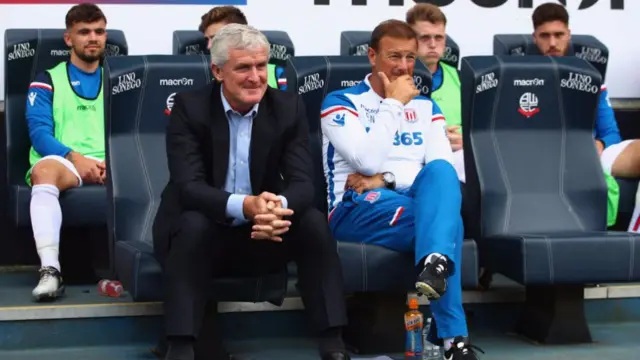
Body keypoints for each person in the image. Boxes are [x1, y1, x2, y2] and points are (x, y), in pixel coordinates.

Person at [152, 24, 349, 360]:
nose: (256, 77)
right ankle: (181, 345)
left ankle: (333, 342)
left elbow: (304, 183)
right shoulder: (190, 107)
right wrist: (246, 206)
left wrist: (276, 209)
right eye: (243, 67)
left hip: (263, 232)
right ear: (217, 71)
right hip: (203, 229)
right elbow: (189, 187)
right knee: (194, 225)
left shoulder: (287, 107)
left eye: (262, 66)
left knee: (313, 223)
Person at [320, 20, 482, 360]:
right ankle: (453, 339)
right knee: (448, 225)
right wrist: (393, 104)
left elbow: (441, 171)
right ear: (372, 56)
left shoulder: (426, 107)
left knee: (440, 173)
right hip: (355, 206)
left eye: (410, 57)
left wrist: (388, 178)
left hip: (407, 198)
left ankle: (435, 267)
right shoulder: (341, 102)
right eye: (394, 56)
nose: (404, 66)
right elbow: (365, 161)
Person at [531, 3, 640, 231]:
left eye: (559, 35)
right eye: (545, 36)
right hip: (542, 158)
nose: (552, 43)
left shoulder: (591, 76)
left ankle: (635, 235)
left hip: (590, 156)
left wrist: (600, 144)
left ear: (568, 34)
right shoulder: (520, 76)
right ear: (534, 38)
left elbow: (612, 134)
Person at [25, 2, 108, 302]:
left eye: (99, 31)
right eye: (84, 32)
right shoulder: (46, 79)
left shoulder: (122, 78)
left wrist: (117, 162)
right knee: (42, 171)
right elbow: (39, 136)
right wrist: (76, 158)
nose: (93, 38)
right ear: (68, 39)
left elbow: (131, 132)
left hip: (111, 162)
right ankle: (50, 270)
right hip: (66, 163)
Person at [406, 3, 465, 182]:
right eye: (424, 38)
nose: (433, 45)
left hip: (457, 159)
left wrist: (466, 141)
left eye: (438, 38)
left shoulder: (461, 78)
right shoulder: (394, 77)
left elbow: (480, 131)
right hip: (411, 161)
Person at [198, 5, 283, 89]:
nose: (209, 46)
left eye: (216, 38)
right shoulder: (198, 71)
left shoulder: (277, 73)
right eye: (207, 40)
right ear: (217, 71)